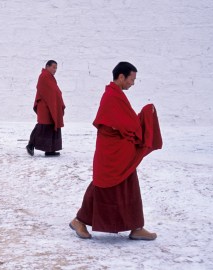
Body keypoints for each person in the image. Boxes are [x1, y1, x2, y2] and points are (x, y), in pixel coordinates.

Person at [69, 62, 163, 240]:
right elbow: (125, 125)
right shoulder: (111, 96)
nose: (132, 83)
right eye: (131, 79)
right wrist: (142, 118)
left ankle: (136, 227)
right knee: (102, 186)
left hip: (122, 153)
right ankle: (79, 221)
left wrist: (144, 116)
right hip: (111, 154)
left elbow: (126, 124)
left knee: (129, 186)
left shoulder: (117, 95)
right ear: (121, 76)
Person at [26, 60, 66, 157]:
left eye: (56, 68)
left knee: (51, 126)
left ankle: (50, 150)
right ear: (47, 66)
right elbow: (47, 91)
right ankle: (30, 145)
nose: (55, 70)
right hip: (45, 107)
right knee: (42, 127)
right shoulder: (43, 76)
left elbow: (55, 91)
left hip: (51, 105)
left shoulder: (50, 77)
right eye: (53, 67)